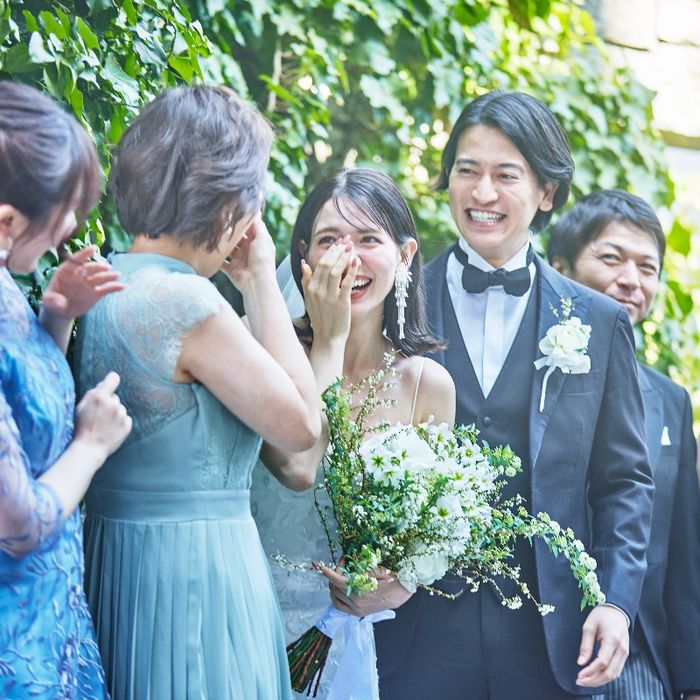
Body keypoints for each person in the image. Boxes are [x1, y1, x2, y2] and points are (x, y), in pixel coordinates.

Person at [374, 90, 654, 699]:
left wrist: (615, 602)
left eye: (506, 175)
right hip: (412, 634)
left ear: (546, 192)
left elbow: (624, 482)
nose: (482, 193)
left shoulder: (599, 321)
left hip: (550, 640)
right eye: (467, 170)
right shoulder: (392, 305)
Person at [73, 85, 322, 699]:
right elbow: (301, 429)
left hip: (120, 564)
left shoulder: (108, 282)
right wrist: (261, 281)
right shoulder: (186, 301)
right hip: (194, 578)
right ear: (229, 201)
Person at [251, 168, 456, 698]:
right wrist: (330, 337)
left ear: (405, 255)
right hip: (251, 611)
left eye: (368, 239)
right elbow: (297, 462)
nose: (349, 258)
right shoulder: (264, 353)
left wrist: (395, 586)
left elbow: (436, 529)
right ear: (303, 257)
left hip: (344, 640)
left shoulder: (427, 385)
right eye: (329, 240)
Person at [0, 81, 132, 697]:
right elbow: (18, 521)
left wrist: (56, 316)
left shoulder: (8, 285)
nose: (72, 229)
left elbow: (27, 422)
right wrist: (93, 445)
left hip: (50, 620)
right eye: (65, 212)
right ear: (7, 220)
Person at [548, 188, 700, 700]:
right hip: (532, 654)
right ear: (560, 268)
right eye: (612, 258)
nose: (632, 279)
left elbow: (683, 556)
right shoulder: (525, 379)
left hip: (638, 664)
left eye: (647, 267)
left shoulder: (672, 400)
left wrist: (692, 681)